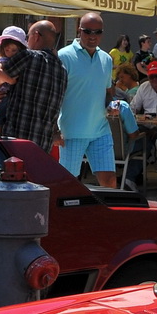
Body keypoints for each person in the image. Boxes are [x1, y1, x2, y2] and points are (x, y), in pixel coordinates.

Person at [56, 14, 118, 186]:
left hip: (100, 131)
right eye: (88, 31)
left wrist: (111, 105)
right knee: (67, 184)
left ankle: (107, 214)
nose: (92, 36)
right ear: (79, 30)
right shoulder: (64, 56)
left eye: (97, 32)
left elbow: (107, 92)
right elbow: (55, 96)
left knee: (110, 181)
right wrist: (54, 128)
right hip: (71, 132)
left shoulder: (106, 59)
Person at [0, 23, 67, 148]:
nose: (26, 42)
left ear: (36, 36)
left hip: (16, 139)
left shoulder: (28, 56)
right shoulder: (62, 69)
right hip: (42, 142)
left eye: (27, 37)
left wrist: (7, 87)